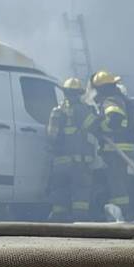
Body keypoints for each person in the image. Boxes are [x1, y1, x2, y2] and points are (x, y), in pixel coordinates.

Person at [46, 78, 98, 222]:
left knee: (60, 192)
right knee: (81, 192)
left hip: (59, 163)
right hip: (79, 163)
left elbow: (51, 136)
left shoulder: (56, 111)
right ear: (78, 93)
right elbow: (95, 127)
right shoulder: (81, 109)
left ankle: (58, 221)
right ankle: (79, 222)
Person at [91, 70, 134, 221]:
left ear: (101, 89)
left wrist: (100, 127)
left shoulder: (110, 100)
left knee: (117, 184)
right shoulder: (119, 98)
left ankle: (121, 216)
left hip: (116, 149)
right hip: (123, 148)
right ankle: (125, 213)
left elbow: (115, 118)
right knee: (121, 183)